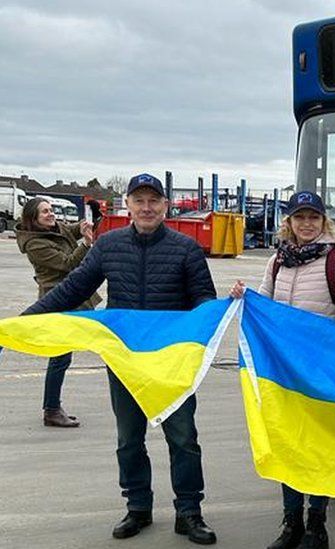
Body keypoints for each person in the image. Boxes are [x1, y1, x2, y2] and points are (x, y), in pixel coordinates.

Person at [24, 173, 218, 545]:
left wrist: (210, 316)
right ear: (127, 205)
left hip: (169, 363)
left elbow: (203, 299)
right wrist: (21, 323)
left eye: (153, 201)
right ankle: (138, 508)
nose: (146, 208)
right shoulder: (108, 246)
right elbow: (72, 289)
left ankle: (189, 512)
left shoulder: (186, 248)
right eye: (139, 200)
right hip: (124, 361)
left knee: (184, 439)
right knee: (129, 439)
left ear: (165, 205)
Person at [230, 190, 335, 549]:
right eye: (299, 217)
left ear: (324, 221)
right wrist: (241, 295)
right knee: (288, 445)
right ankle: (290, 522)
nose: (306, 224)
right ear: (288, 222)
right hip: (284, 372)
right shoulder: (277, 261)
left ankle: (316, 524)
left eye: (313, 217)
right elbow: (262, 305)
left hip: (321, 371)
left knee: (318, 446)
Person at [15, 197, 101, 427]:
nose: (51, 214)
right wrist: (86, 244)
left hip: (72, 299)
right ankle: (52, 409)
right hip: (58, 301)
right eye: (45, 212)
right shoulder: (36, 244)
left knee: (62, 357)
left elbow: (73, 229)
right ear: (34, 219)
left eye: (51, 210)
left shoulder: (55, 229)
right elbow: (67, 264)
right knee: (60, 357)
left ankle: (52, 408)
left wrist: (90, 220)